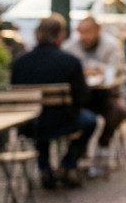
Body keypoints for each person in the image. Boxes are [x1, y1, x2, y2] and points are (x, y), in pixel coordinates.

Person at [11, 14, 98, 190]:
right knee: (90, 121)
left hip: (29, 124)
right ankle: (68, 163)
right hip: (62, 121)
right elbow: (82, 97)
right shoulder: (70, 62)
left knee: (40, 120)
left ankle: (45, 168)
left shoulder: (20, 63)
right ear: (59, 35)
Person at [61, 15, 126, 176]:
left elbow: (115, 71)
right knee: (72, 114)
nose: (85, 37)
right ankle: (78, 152)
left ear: (98, 31)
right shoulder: (70, 48)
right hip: (80, 96)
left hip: (105, 94)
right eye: (81, 32)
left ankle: (103, 144)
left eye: (88, 32)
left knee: (118, 109)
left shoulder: (110, 45)